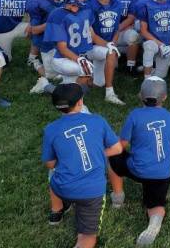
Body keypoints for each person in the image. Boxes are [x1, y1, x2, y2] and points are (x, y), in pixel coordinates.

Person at [41, 83, 123, 248]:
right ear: (80, 102)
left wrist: (69, 158)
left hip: (62, 188)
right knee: (86, 238)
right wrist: (98, 154)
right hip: (91, 193)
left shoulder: (51, 129)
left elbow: (50, 164)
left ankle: (56, 211)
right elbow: (117, 148)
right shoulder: (97, 120)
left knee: (53, 174)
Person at [108, 77, 170, 246]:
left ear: (140, 95)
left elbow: (121, 146)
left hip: (138, 169)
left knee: (111, 156)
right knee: (155, 205)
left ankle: (118, 198)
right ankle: (154, 220)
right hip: (163, 174)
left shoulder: (135, 115)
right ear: (165, 97)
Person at [44, 0, 124, 105]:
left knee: (110, 52)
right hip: (64, 58)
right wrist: (79, 60)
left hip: (86, 52)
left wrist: (108, 44)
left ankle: (109, 93)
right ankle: (50, 88)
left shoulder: (86, 9)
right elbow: (62, 48)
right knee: (82, 78)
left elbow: (91, 34)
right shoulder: (57, 15)